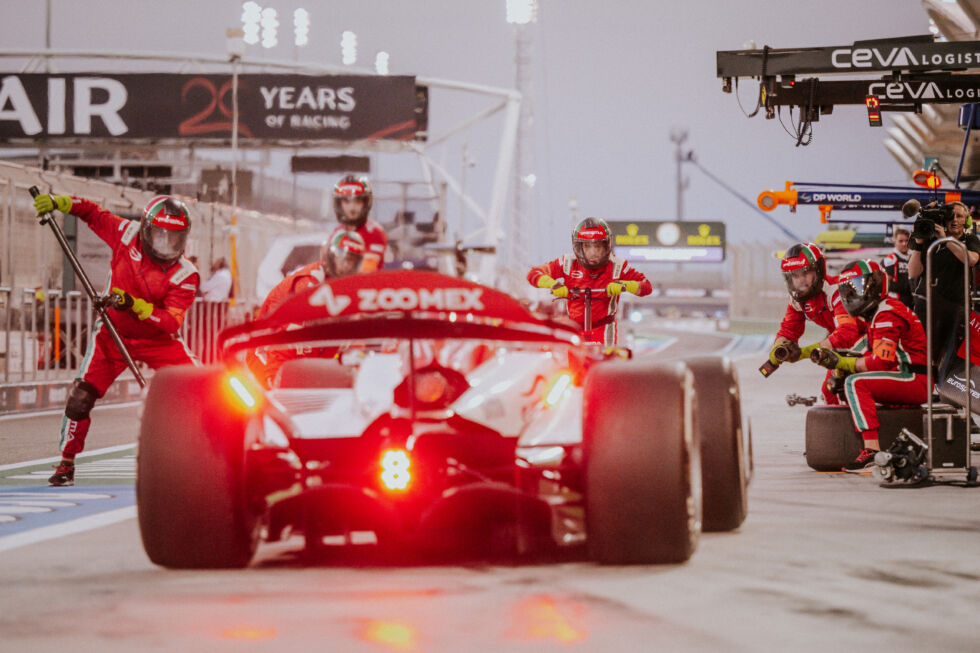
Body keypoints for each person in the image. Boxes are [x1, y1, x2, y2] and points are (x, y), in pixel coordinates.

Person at [32, 193, 199, 486]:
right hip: (112, 333)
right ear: (146, 229)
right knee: (80, 398)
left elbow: (171, 321)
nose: (165, 245)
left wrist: (135, 305)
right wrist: (59, 202)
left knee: (201, 388)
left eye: (173, 239)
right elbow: (92, 213)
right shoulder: (126, 233)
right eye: (159, 235)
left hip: (159, 341)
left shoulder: (186, 274)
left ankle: (211, 454)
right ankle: (66, 463)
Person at [810, 260, 928, 471]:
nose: (852, 296)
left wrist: (844, 362)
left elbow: (881, 361)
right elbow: (865, 352)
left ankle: (872, 450)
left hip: (913, 378)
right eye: (848, 291)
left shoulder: (886, 314)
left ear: (875, 285)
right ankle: (841, 442)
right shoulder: (878, 313)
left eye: (858, 287)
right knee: (840, 378)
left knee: (856, 383)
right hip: (904, 375)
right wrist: (839, 364)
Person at [249, 229, 366, 387]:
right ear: (331, 256)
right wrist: (273, 377)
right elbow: (286, 337)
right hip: (269, 357)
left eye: (352, 260)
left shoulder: (349, 289)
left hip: (310, 362)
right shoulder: (310, 284)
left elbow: (354, 338)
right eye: (342, 257)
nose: (346, 265)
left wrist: (360, 376)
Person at [527, 217, 652, 346]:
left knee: (605, 363)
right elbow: (534, 274)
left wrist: (624, 285)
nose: (593, 253)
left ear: (606, 246)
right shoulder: (567, 263)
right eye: (587, 246)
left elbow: (646, 286)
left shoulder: (617, 265)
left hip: (604, 330)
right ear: (578, 247)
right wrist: (554, 284)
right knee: (570, 364)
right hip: (574, 329)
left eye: (597, 247)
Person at [769, 242, 867, 405]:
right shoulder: (797, 299)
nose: (800, 281)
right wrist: (777, 350)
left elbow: (847, 333)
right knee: (830, 392)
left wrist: (805, 353)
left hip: (869, 337)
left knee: (839, 388)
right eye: (794, 275)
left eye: (805, 273)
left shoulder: (836, 290)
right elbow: (788, 330)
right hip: (849, 344)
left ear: (818, 270)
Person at [908, 201, 980, 367]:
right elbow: (913, 273)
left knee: (951, 353)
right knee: (923, 351)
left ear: (967, 221)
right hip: (928, 305)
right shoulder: (930, 239)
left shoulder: (970, 240)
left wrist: (945, 240)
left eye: (959, 216)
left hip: (957, 306)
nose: (954, 220)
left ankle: (944, 388)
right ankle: (924, 385)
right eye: (950, 216)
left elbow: (971, 259)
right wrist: (919, 245)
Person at [332, 175, 387, 272]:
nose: (352, 207)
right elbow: (329, 267)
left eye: (357, 201)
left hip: (365, 285)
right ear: (339, 204)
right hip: (337, 284)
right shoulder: (337, 232)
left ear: (365, 203)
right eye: (346, 201)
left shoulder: (375, 232)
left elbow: (367, 272)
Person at [882, 227, 912, 309]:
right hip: (895, 302)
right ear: (895, 242)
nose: (904, 244)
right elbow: (887, 284)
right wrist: (909, 286)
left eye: (906, 241)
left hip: (911, 301)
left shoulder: (913, 258)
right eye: (901, 241)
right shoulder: (890, 259)